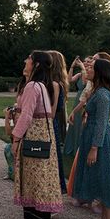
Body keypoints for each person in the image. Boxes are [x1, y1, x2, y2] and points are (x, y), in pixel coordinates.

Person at [11, 51, 63, 219]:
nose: (25, 60)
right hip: (43, 136)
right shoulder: (41, 85)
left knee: (37, 179)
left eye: (29, 59)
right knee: (39, 177)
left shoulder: (33, 86)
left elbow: (26, 115)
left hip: (35, 135)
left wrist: (16, 138)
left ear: (37, 65)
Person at [72, 58, 110, 219]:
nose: (88, 69)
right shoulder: (98, 91)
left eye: (92, 68)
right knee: (100, 179)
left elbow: (102, 123)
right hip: (94, 137)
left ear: (100, 72)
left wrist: (94, 148)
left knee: (107, 181)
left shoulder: (103, 94)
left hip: (102, 142)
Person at [49, 50, 69, 194]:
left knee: (52, 159)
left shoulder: (55, 84)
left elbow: (52, 111)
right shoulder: (56, 82)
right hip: (53, 123)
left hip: (51, 124)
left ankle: (55, 192)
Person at [64, 56, 87, 156]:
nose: (85, 63)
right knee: (75, 122)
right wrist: (72, 67)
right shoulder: (80, 74)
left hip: (84, 99)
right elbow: (69, 80)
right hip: (78, 98)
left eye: (88, 61)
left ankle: (79, 148)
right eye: (84, 61)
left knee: (81, 124)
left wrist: (83, 67)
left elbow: (85, 83)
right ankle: (72, 147)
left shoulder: (89, 75)